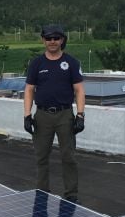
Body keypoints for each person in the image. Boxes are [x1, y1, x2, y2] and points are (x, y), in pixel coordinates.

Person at [24, 24, 86, 203]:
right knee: (41, 156)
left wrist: (80, 115)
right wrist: (27, 115)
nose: (52, 41)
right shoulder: (36, 63)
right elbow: (29, 90)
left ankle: (71, 195)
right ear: (43, 40)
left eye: (56, 38)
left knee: (68, 157)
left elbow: (79, 90)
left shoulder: (72, 63)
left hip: (65, 115)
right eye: (49, 38)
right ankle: (42, 192)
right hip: (42, 116)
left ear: (62, 40)